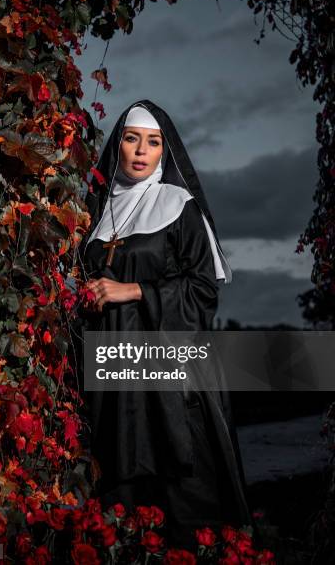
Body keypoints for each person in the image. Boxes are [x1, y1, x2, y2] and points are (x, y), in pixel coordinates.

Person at [75, 100, 254, 550]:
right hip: (112, 379)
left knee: (180, 502)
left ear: (164, 152)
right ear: (117, 146)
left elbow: (203, 292)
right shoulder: (94, 214)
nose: (140, 151)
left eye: (153, 142)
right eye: (132, 139)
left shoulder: (179, 206)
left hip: (170, 378)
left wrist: (132, 290)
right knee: (120, 504)